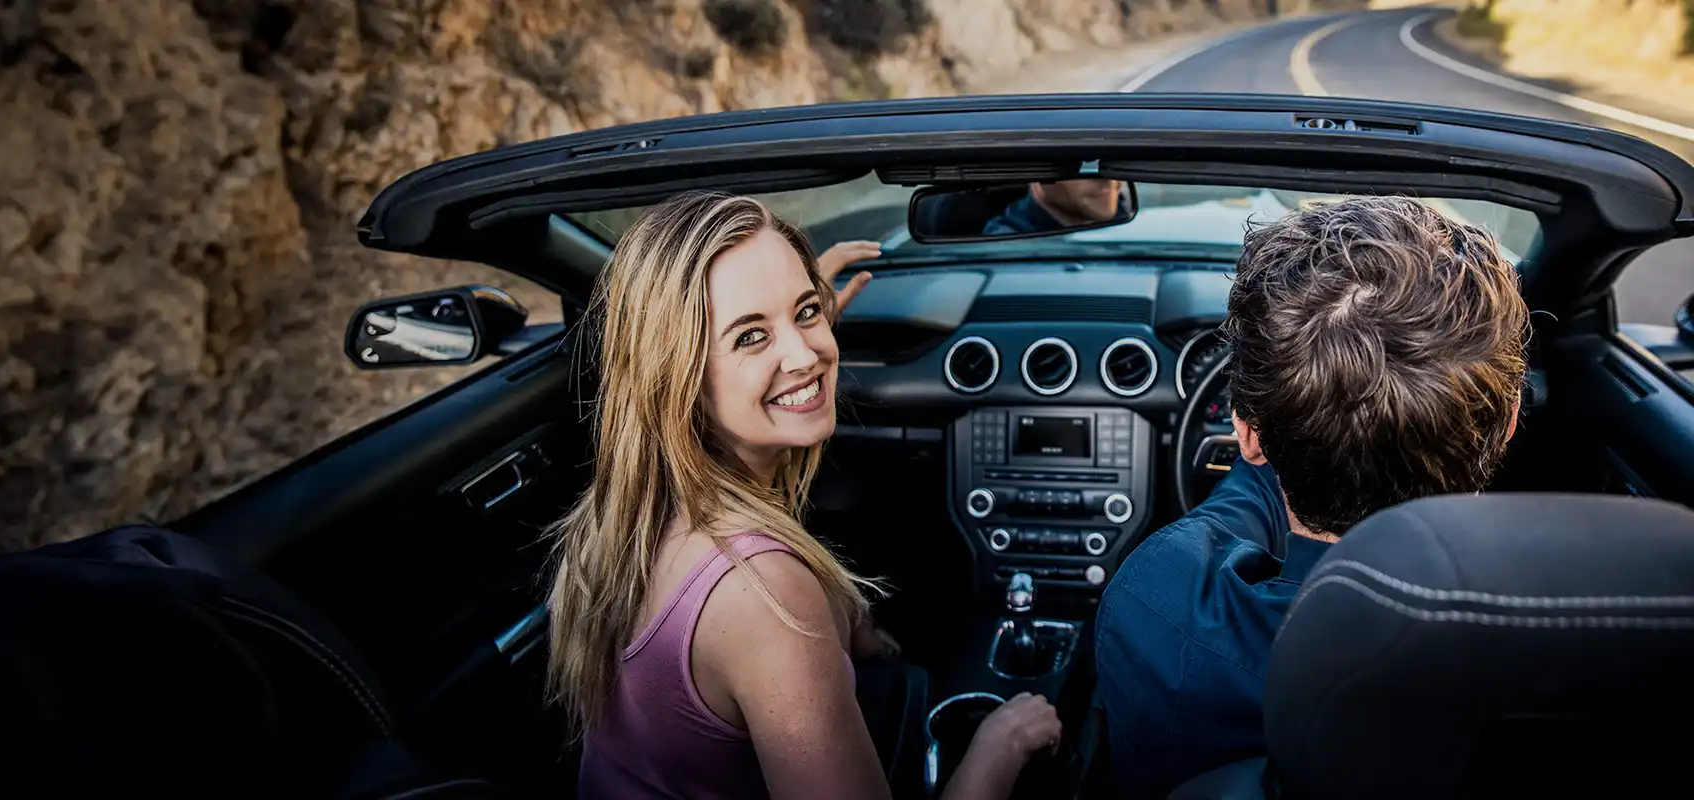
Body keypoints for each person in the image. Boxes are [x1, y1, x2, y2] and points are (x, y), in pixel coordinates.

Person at [547, 192, 1063, 800]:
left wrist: (780, 325)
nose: (805, 354)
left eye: (808, 311)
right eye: (750, 336)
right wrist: (1000, 744)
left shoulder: (620, 518)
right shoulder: (765, 595)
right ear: (674, 373)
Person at [1094, 196, 1531, 798]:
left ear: (1245, 432)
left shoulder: (1155, 601)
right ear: (1510, 419)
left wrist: (1281, 429)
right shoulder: (1573, 651)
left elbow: (1220, 524)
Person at [984, 178, 1126, 235]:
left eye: (1111, 157)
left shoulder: (1131, 226)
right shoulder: (1006, 247)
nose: (1106, 177)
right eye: (1082, 162)